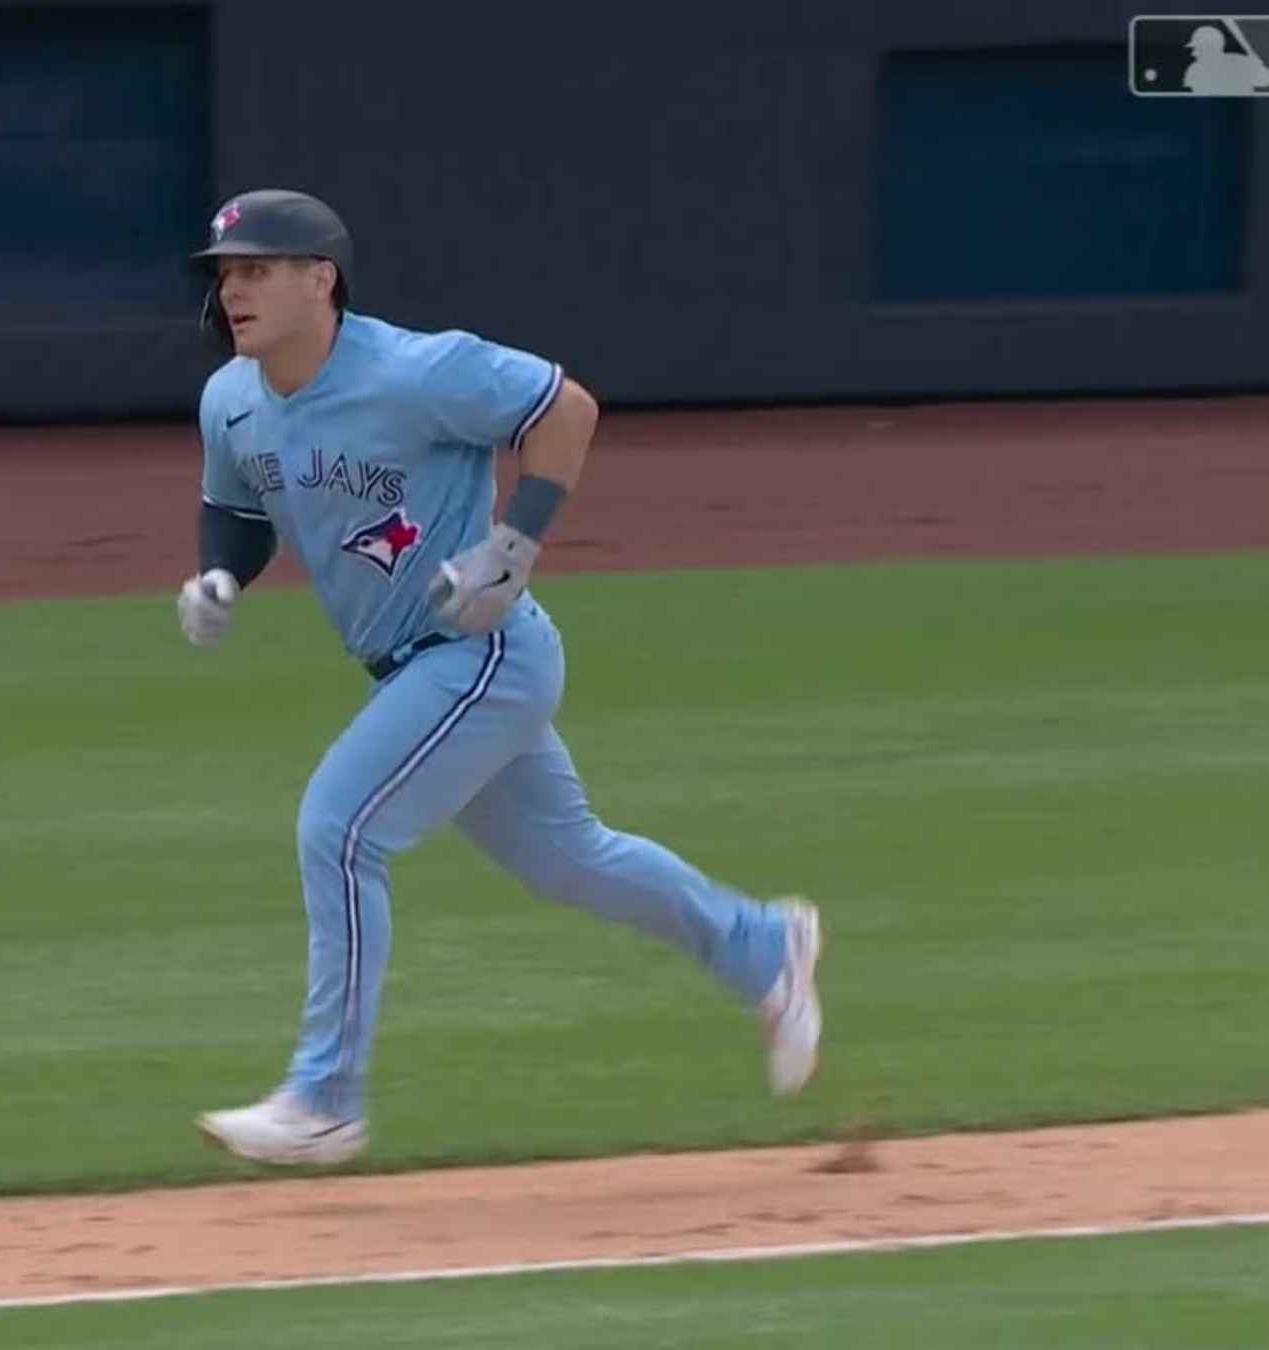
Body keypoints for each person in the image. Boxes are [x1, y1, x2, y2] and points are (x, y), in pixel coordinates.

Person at [175, 189, 823, 1166]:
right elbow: (242, 508)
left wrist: (512, 547)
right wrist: (220, 572)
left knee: (341, 830)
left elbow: (566, 408)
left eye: (257, 270)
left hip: (481, 655)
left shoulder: (414, 370)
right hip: (412, 672)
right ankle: (760, 946)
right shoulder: (233, 397)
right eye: (226, 275)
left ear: (321, 278)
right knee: (571, 858)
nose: (235, 292)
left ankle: (324, 1099)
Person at [1181, 24, 1269, 96]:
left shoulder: (1195, 70)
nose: (1193, 53)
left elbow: (1266, 81)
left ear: (1210, 48)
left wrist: (1258, 68)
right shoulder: (1195, 70)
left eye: (1198, 48)